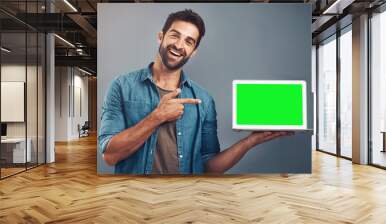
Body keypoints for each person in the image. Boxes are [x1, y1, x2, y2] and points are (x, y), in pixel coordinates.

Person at [99, 9, 293, 174]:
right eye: (174, 35)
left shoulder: (204, 100)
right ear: (161, 36)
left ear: (193, 51)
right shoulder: (122, 86)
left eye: (189, 41)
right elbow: (109, 155)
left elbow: (210, 166)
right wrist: (157, 117)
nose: (179, 45)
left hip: (188, 196)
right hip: (135, 197)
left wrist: (251, 141)